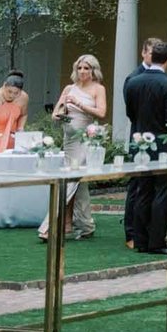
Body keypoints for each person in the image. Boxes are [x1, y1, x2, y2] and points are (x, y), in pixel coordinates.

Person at [122, 38, 167, 252]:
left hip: (140, 142)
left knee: (142, 191)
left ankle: (140, 240)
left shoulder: (133, 81)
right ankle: (156, 241)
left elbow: (131, 113)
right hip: (163, 145)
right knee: (162, 192)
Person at [42, 54, 109, 243]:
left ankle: (48, 227)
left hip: (85, 138)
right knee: (79, 184)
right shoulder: (69, 88)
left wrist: (79, 104)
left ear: (93, 70)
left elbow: (102, 113)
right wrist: (59, 114)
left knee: (70, 181)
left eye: (86, 68)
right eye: (79, 68)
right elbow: (56, 112)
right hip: (69, 137)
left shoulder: (98, 89)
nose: (82, 72)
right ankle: (86, 225)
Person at [0, 70, 30, 143]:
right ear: (4, 85)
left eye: (16, 93)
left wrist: (20, 128)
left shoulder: (24, 97)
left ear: (20, 91)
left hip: (13, 136)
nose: (12, 95)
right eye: (9, 91)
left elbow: (23, 114)